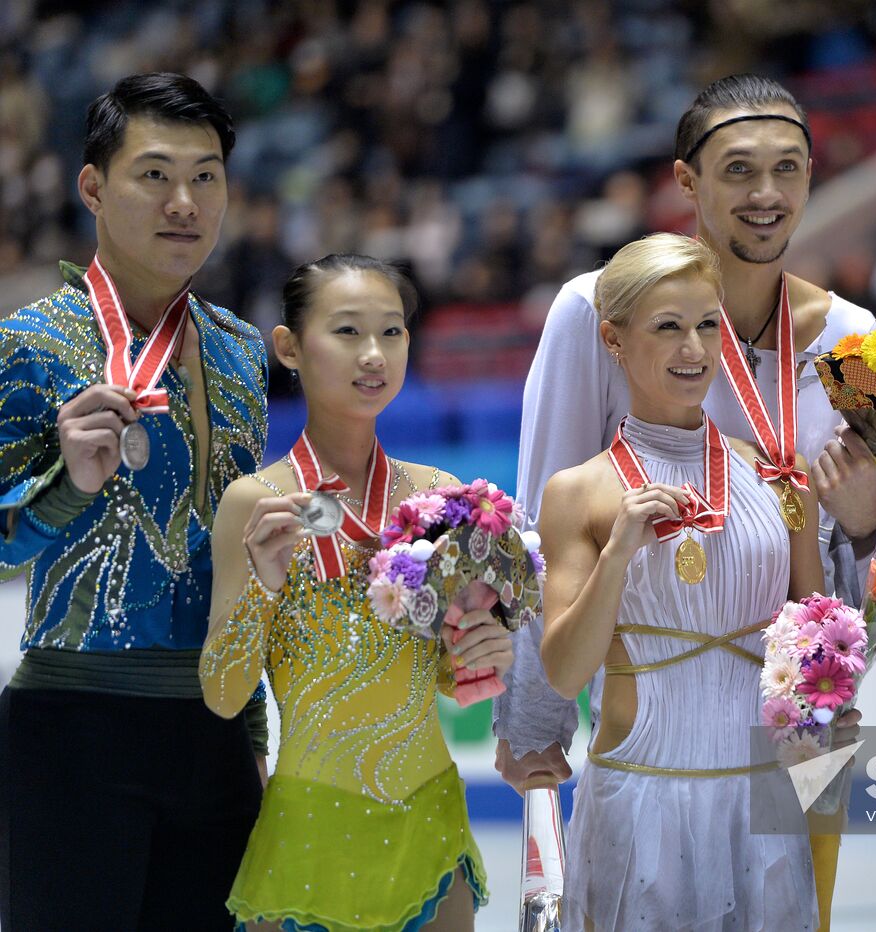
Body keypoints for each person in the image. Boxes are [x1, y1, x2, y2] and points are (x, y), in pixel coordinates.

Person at [0, 72, 270, 930]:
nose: (184, 201)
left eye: (206, 175)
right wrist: (64, 488)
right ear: (93, 187)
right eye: (154, 174)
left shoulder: (241, 352)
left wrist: (253, 737)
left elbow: (242, 572)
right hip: (72, 731)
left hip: (216, 733)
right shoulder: (30, 344)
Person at [199, 254, 510, 930]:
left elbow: (458, 684)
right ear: (289, 346)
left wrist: (485, 649)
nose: (374, 355)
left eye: (392, 333)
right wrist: (262, 586)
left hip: (428, 826)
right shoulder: (257, 503)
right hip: (309, 835)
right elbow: (224, 697)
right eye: (346, 332)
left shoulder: (439, 496)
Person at [538, 233, 824, 930]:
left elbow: (816, 650)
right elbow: (564, 673)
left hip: (764, 802)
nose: (694, 349)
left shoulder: (779, 478)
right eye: (667, 327)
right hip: (640, 800)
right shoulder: (579, 493)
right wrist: (617, 557)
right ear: (613, 339)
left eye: (706, 325)